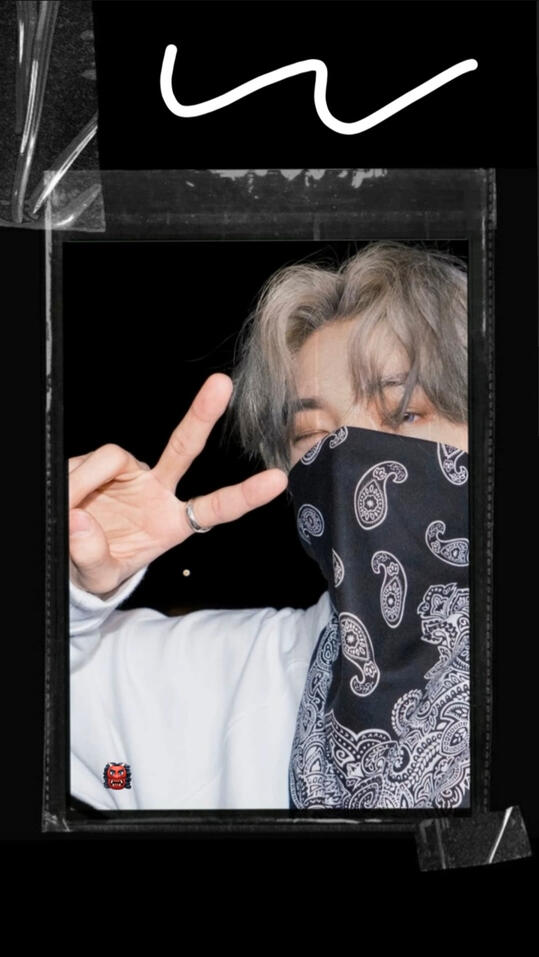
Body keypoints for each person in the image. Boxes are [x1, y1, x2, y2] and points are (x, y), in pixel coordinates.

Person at [69, 240, 470, 811]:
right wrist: (67, 576)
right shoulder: (224, 682)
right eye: (312, 436)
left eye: (405, 412)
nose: (348, 459)